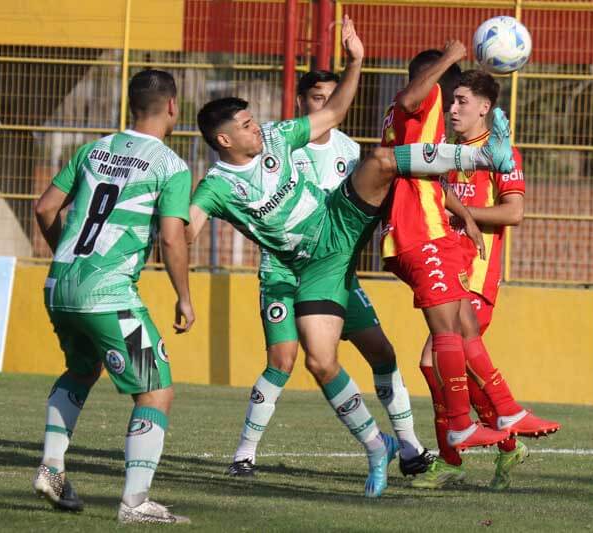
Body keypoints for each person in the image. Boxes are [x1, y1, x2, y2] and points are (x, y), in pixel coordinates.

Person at [186, 16, 515, 496]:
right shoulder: (216, 186)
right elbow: (185, 228)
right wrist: (170, 227)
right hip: (299, 267)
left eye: (253, 121)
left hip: (338, 223)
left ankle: (477, 156)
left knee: (381, 160)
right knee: (313, 361)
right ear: (224, 140)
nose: (256, 128)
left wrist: (357, 59)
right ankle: (373, 445)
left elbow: (338, 112)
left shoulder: (285, 137)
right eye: (245, 125)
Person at [227, 69, 432, 480]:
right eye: (317, 97)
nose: (324, 104)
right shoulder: (275, 144)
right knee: (282, 361)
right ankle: (244, 454)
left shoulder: (351, 151)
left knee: (383, 353)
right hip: (283, 271)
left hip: (335, 271)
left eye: (331, 97)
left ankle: (410, 448)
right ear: (301, 102)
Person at [32, 69, 195, 524]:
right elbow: (172, 237)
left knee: (82, 369)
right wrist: (184, 295)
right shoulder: (170, 165)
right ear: (172, 107)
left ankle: (52, 467)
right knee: (155, 390)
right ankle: (136, 503)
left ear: (130, 106)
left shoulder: (92, 149)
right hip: (108, 292)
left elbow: (45, 208)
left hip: (60, 282)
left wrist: (67, 259)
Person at [414, 69, 561, 490]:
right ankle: (501, 444)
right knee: (434, 366)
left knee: (436, 363)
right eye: (451, 101)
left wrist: (456, 213)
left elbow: (514, 213)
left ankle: (458, 456)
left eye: (461, 101)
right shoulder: (445, 150)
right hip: (446, 267)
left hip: (476, 273)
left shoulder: (501, 152)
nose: (453, 108)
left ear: (485, 107)